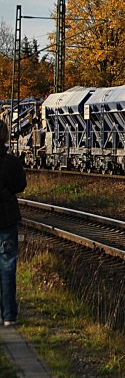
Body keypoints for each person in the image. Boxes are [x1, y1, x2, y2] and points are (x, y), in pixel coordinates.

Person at [0, 121, 27, 327]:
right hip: (6, 218)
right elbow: (20, 186)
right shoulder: (10, 161)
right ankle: (9, 315)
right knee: (7, 267)